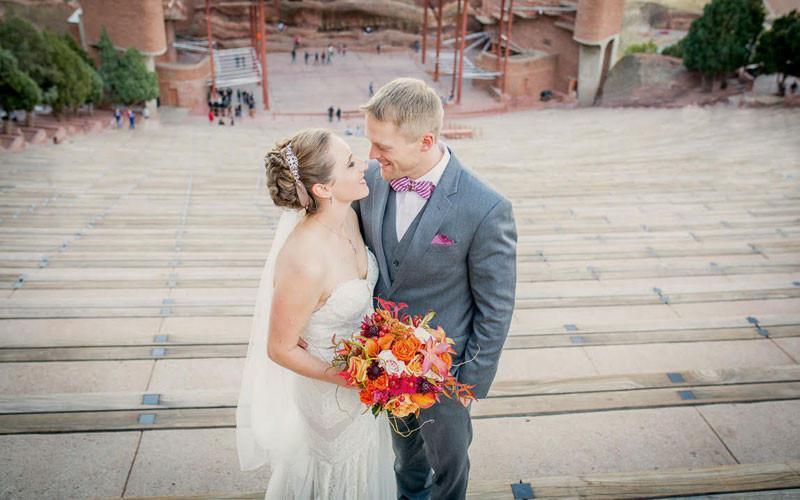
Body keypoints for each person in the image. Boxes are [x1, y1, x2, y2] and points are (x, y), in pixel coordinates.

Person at [356, 78, 517, 499]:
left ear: (425, 140)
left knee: (449, 467)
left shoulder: (486, 208)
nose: (372, 155)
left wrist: (467, 385)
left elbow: (496, 308)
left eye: (383, 147)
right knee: (404, 461)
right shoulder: (369, 182)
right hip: (385, 366)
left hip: (447, 377)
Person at [236, 129, 396, 499]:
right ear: (323, 189)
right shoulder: (304, 259)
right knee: (337, 476)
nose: (365, 166)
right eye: (351, 163)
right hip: (330, 393)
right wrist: (344, 377)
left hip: (365, 381)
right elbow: (279, 348)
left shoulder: (350, 218)